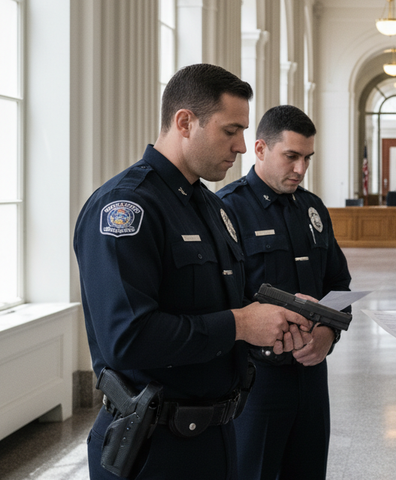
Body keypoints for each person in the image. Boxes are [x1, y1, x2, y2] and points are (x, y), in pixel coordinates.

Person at [74, 63, 312, 480]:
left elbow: (223, 305)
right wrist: (240, 323)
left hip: (218, 434)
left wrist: (278, 316)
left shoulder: (212, 207)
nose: (241, 146)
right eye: (230, 130)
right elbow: (128, 338)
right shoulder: (126, 207)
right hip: (152, 446)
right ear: (185, 122)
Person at [218, 104, 352, 480]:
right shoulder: (227, 209)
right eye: (291, 156)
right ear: (260, 149)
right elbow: (219, 298)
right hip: (257, 378)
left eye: (307, 158)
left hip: (311, 375)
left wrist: (328, 333)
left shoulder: (312, 209)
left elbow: (339, 286)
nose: (301, 169)